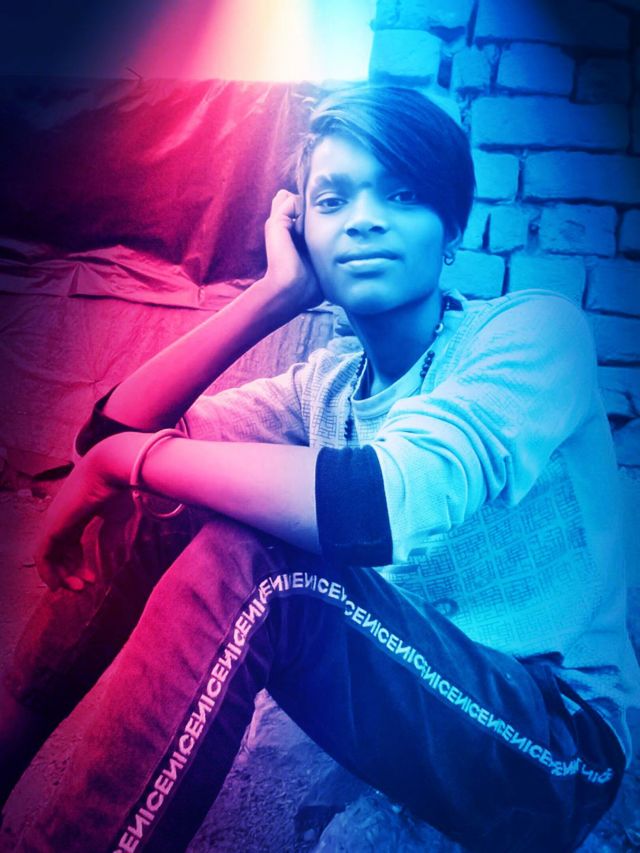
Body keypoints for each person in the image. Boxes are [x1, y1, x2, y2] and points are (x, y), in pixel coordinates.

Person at [1, 85, 638, 853]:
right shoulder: (326, 385)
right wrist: (274, 296)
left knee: (258, 562)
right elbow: (114, 430)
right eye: (333, 200)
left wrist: (124, 459)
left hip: (557, 747)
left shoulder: (530, 333)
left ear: (452, 230)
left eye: (402, 194)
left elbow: (377, 505)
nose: (365, 218)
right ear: (302, 231)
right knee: (157, 500)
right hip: (417, 681)